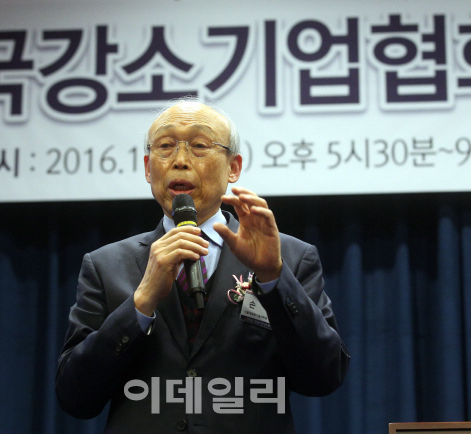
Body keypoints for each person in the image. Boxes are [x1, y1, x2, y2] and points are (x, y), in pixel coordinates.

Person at [55, 99, 350, 433]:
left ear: (233, 167)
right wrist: (140, 304)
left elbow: (323, 377)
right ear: (149, 168)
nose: (180, 161)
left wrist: (273, 279)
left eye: (199, 146)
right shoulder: (106, 266)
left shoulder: (289, 258)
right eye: (165, 147)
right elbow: (75, 397)